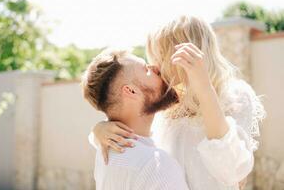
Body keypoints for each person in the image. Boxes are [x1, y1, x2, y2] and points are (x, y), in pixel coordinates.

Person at [90, 15, 266, 190]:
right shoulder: (167, 101)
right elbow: (135, 133)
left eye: (159, 58)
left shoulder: (233, 96)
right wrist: (100, 129)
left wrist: (204, 89)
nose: (155, 67)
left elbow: (233, 172)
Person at [81, 49, 190, 190]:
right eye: (146, 69)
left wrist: (98, 128)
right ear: (131, 91)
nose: (156, 68)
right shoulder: (157, 165)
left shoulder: (106, 151)